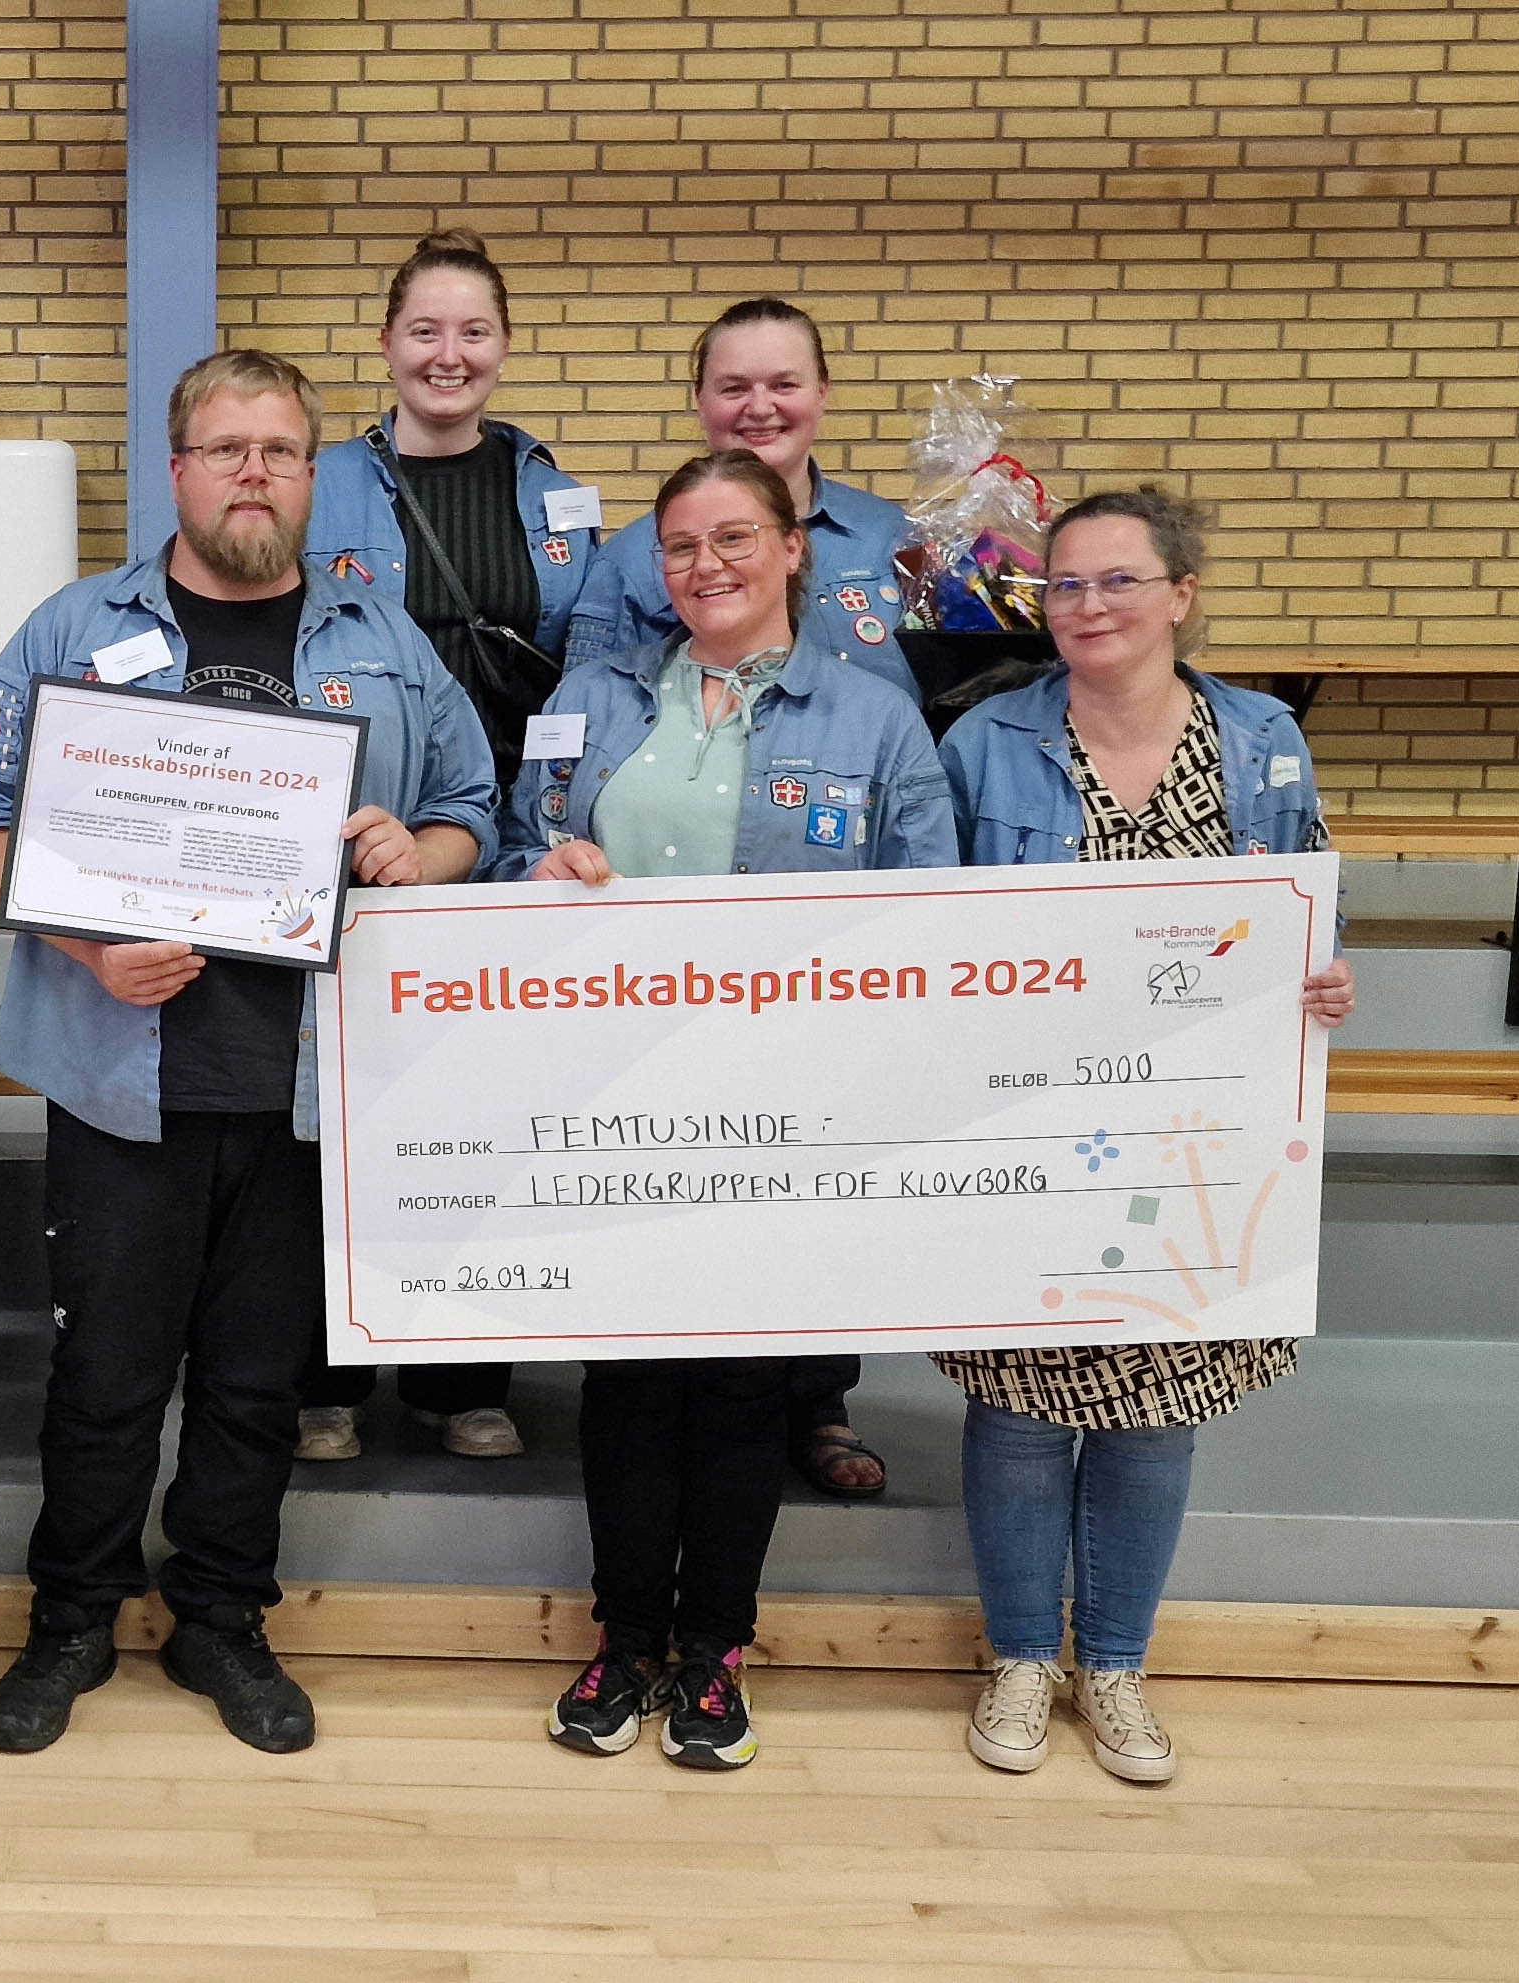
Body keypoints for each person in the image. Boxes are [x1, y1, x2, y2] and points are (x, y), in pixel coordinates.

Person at [0, 349, 497, 1757]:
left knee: (257, 1387)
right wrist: (84, 945)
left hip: (308, 1085)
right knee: (106, 1381)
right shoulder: (74, 628)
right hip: (120, 1076)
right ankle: (71, 1617)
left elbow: (473, 811)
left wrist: (413, 851)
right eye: (228, 448)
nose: (256, 472)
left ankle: (221, 1616)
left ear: (313, 476)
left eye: (282, 450)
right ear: (178, 469)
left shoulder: (384, 641)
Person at [502, 448, 956, 1771]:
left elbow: (929, 911)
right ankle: (626, 1640)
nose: (706, 565)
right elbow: (520, 845)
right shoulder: (590, 696)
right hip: (612, 1090)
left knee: (746, 1387)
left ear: (793, 547)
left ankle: (714, 1652)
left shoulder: (873, 718)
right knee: (628, 1382)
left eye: (735, 538)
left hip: (786, 1101)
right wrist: (543, 867)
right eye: (682, 545)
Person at [934, 484, 1355, 1786]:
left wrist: (1323, 975)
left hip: (1200, 1130)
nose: (1088, 604)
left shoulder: (1262, 737)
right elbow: (928, 927)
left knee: (1156, 1406)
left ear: (1180, 593)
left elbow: (1309, 896)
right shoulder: (985, 740)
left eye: (1118, 579)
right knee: (1016, 1402)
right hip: (1029, 1116)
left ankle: (1113, 1664)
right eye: (1064, 583)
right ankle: (1020, 1657)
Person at [562, 296, 916, 1502]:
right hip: (632, 1014)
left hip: (812, 970)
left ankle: (813, 1405)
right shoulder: (626, 571)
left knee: (781, 1276)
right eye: (732, 385)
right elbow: (578, 752)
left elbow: (933, 742)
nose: (759, 405)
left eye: (783, 382)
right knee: (644, 1329)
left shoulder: (902, 548)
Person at [296, 226, 608, 1464]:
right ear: (386, 343)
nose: (449, 352)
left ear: (504, 346)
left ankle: (461, 1374)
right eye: (425, 328)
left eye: (474, 330)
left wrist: (562, 821)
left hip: (505, 836)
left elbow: (592, 664)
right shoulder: (324, 480)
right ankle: (322, 1374)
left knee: (481, 1108)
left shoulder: (552, 492)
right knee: (331, 1109)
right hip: (358, 836)